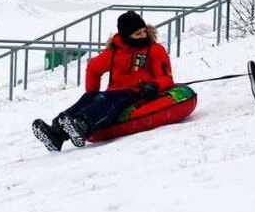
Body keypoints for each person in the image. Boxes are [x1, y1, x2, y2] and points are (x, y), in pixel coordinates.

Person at [32, 10, 175, 151]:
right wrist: (92, 95)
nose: (143, 36)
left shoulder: (154, 50)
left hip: (136, 93)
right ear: (126, 36)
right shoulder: (115, 52)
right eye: (138, 34)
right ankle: (56, 132)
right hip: (113, 92)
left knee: (112, 99)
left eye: (144, 32)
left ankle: (83, 125)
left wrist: (154, 85)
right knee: (91, 98)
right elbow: (93, 69)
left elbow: (166, 77)